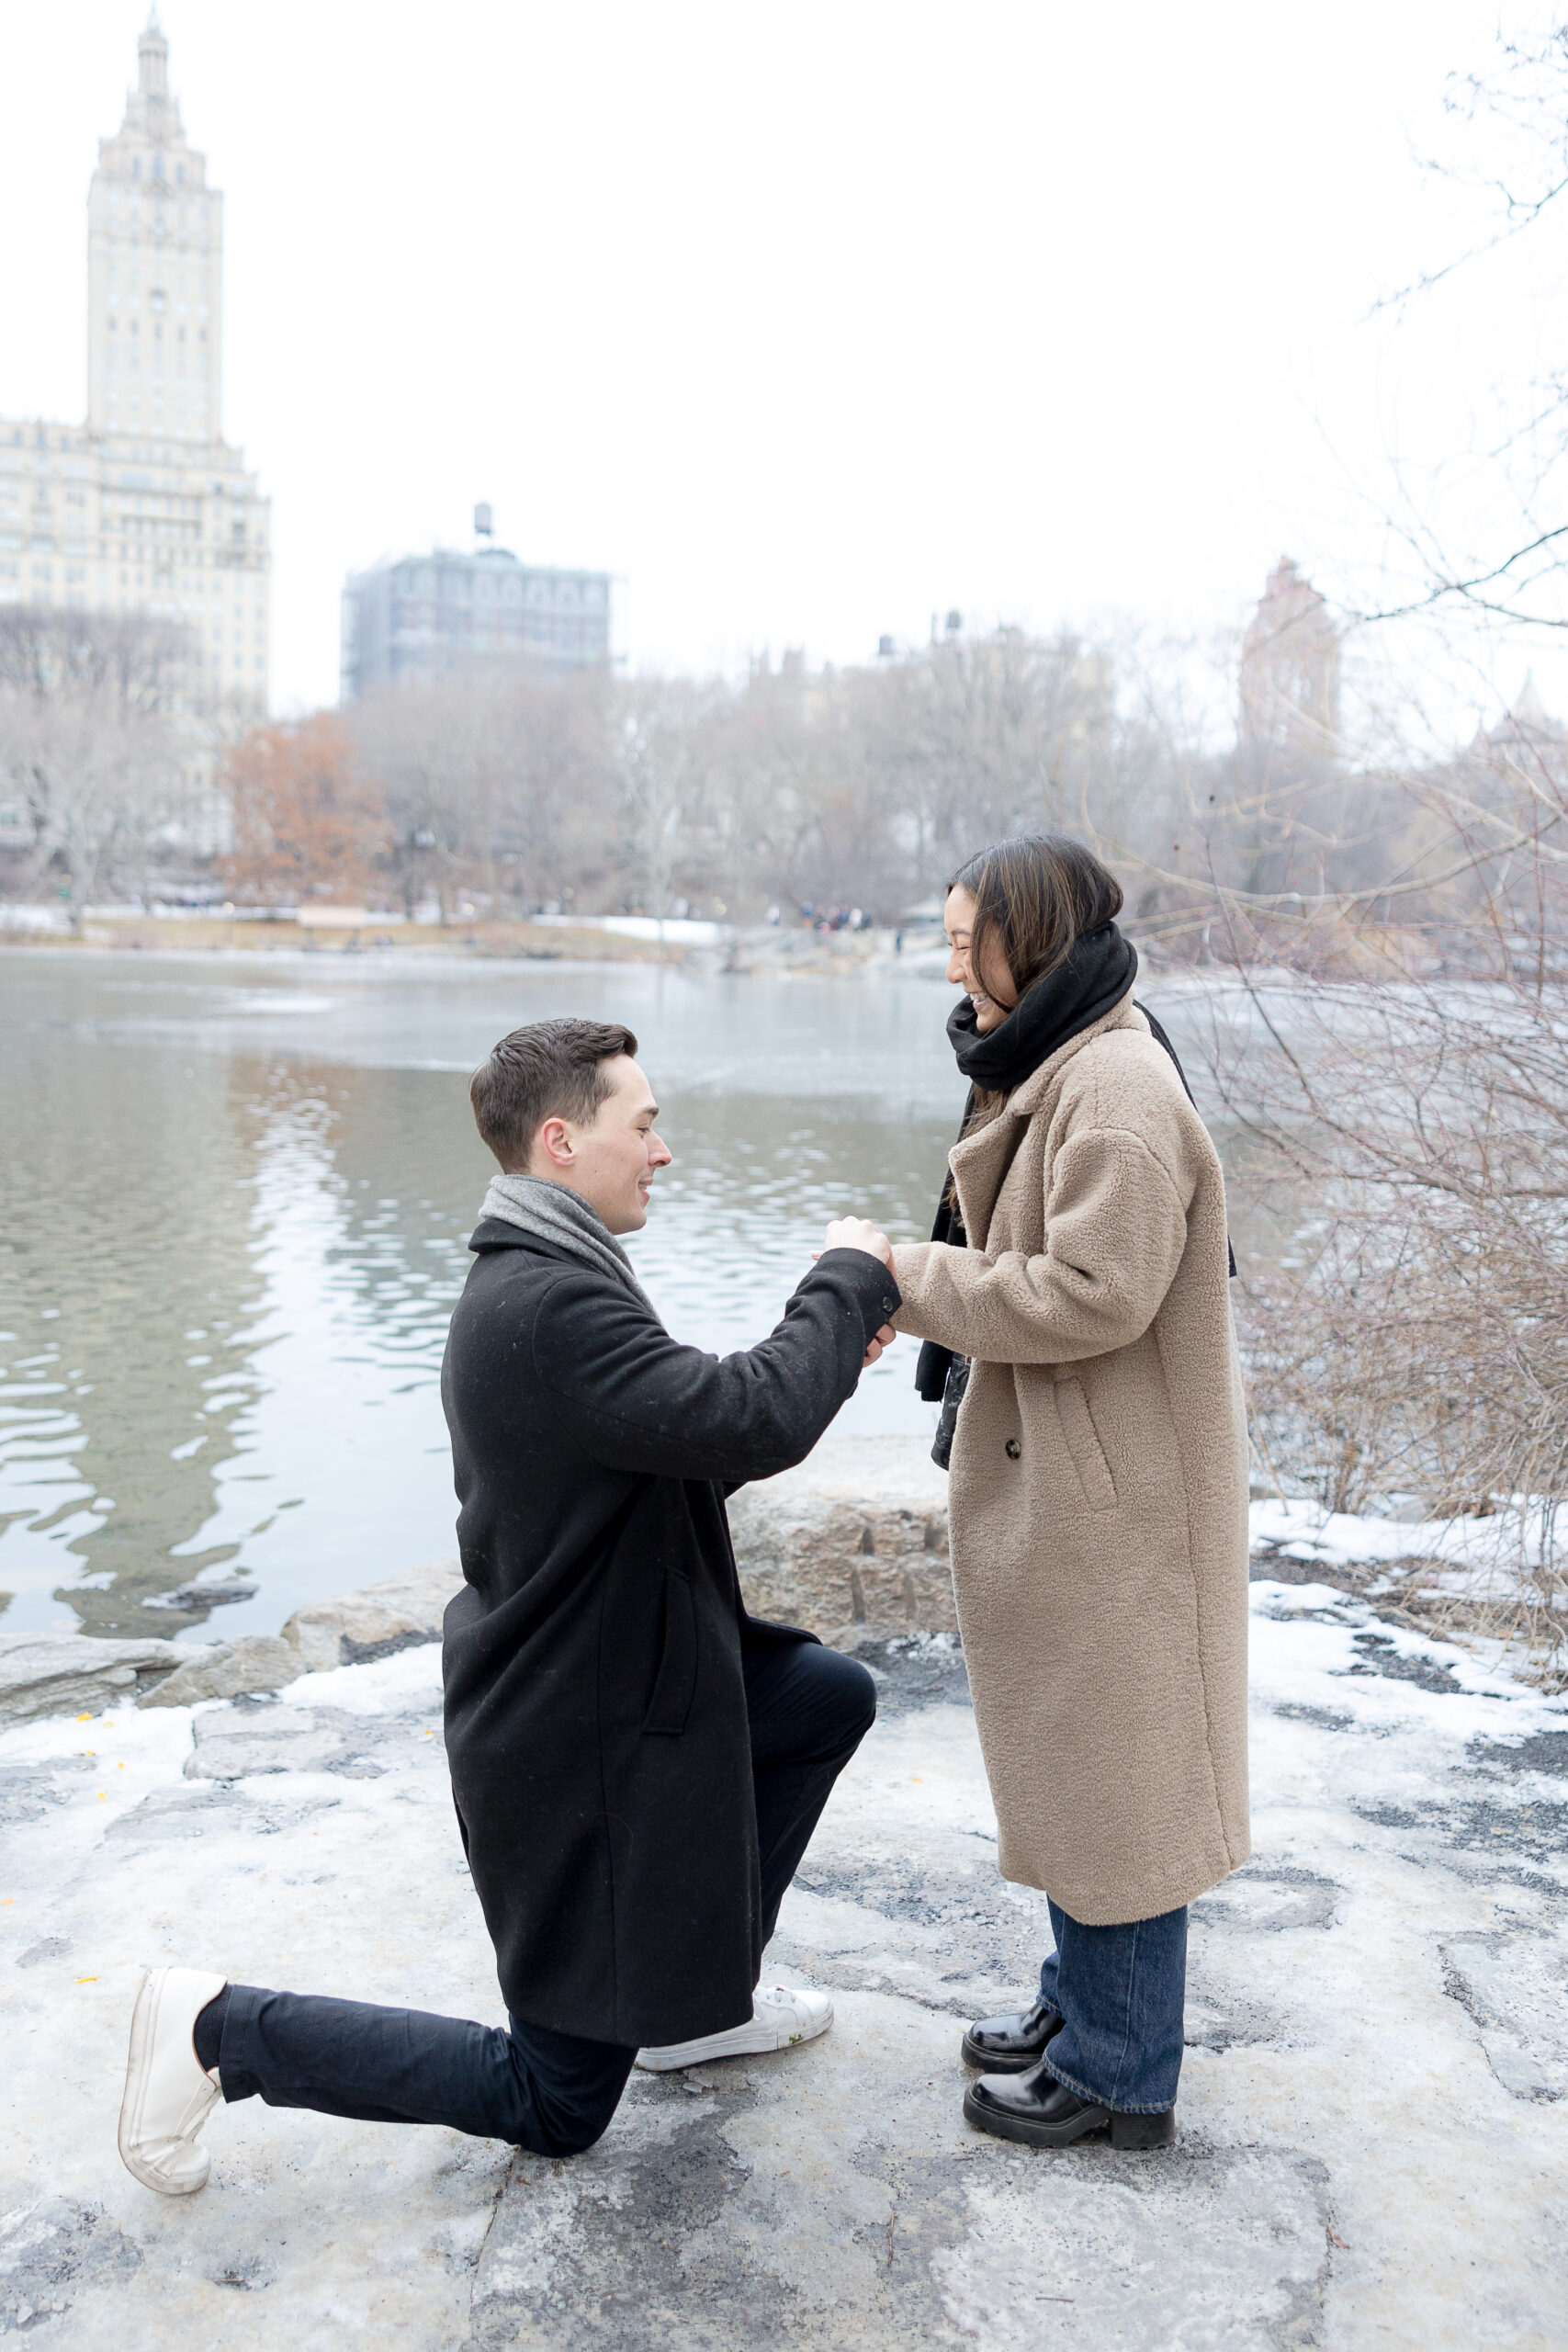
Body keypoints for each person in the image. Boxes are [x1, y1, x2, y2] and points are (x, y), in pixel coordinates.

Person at [118, 1016, 899, 2196]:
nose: (663, 1151)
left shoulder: (554, 1277)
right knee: (558, 2101)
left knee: (819, 1696)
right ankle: (216, 2028)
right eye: (644, 1125)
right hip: (571, 1736)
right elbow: (750, 1418)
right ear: (560, 1140)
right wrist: (845, 1281)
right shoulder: (547, 1306)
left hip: (622, 1675)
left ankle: (691, 2002)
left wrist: (832, 1351)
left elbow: (687, 1444)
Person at [885, 835, 1249, 2152]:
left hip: (1120, 1494)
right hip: (1079, 1478)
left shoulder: (1113, 1084)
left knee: (1124, 1788)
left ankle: (1120, 2074)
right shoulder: (1052, 1052)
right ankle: (1079, 2004)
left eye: (958, 939)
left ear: (1021, 943)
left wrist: (903, 1277)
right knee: (1075, 1771)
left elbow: (1098, 1292)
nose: (944, 962)